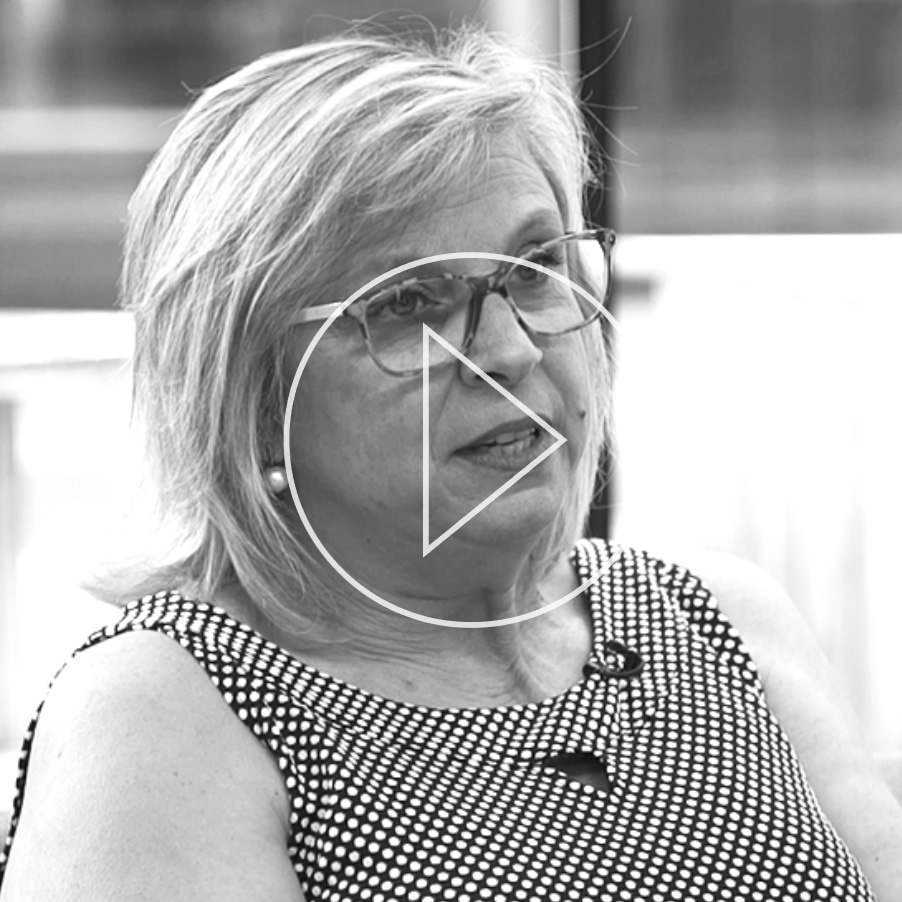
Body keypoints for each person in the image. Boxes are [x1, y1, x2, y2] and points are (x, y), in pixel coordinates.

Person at [1, 25, 900, 902]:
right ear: (256, 395)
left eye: (534, 266)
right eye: (407, 303)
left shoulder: (719, 617)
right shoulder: (162, 707)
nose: (509, 348)